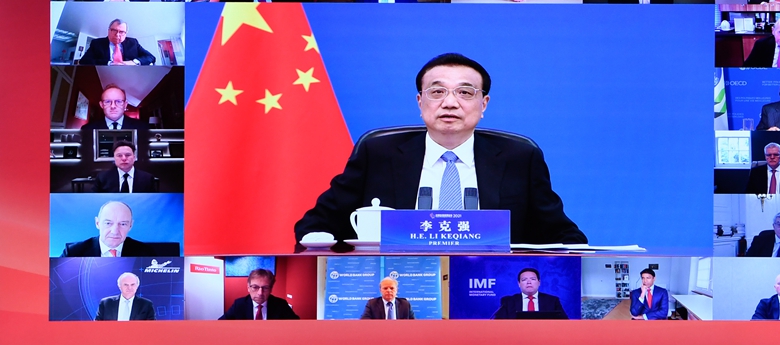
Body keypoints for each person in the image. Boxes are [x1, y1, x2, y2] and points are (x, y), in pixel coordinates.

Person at [294, 53, 586, 245]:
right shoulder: (378, 154)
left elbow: (563, 234)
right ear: (420, 102)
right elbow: (314, 226)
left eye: (465, 92)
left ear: (483, 104)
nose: (450, 103)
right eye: (437, 92)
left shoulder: (519, 158)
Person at [60, 200, 158, 256]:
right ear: (97, 223)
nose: (115, 231)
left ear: (130, 225)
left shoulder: (146, 252)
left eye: (123, 224)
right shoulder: (73, 252)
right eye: (108, 223)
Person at [220, 268, 299, 320]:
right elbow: (221, 324)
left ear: (271, 289)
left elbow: (296, 325)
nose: (260, 293)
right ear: (248, 288)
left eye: (265, 288)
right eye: (255, 287)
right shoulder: (239, 305)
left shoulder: (281, 305)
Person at [492, 268, 568, 319]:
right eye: (524, 279)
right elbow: (498, 324)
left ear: (539, 282)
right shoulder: (508, 301)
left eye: (533, 279)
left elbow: (564, 323)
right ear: (519, 284)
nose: (529, 282)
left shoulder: (552, 301)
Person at [77, 19, 156, 66]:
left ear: (126, 33)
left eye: (121, 32)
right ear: (109, 30)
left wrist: (133, 62)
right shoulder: (96, 43)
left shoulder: (133, 42)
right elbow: (84, 61)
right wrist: (110, 63)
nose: (117, 34)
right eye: (114, 30)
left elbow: (151, 57)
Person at [80, 84, 150, 132]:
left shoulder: (143, 128)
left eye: (118, 101)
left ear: (125, 105)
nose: (113, 106)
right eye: (107, 101)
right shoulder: (86, 130)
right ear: (101, 105)